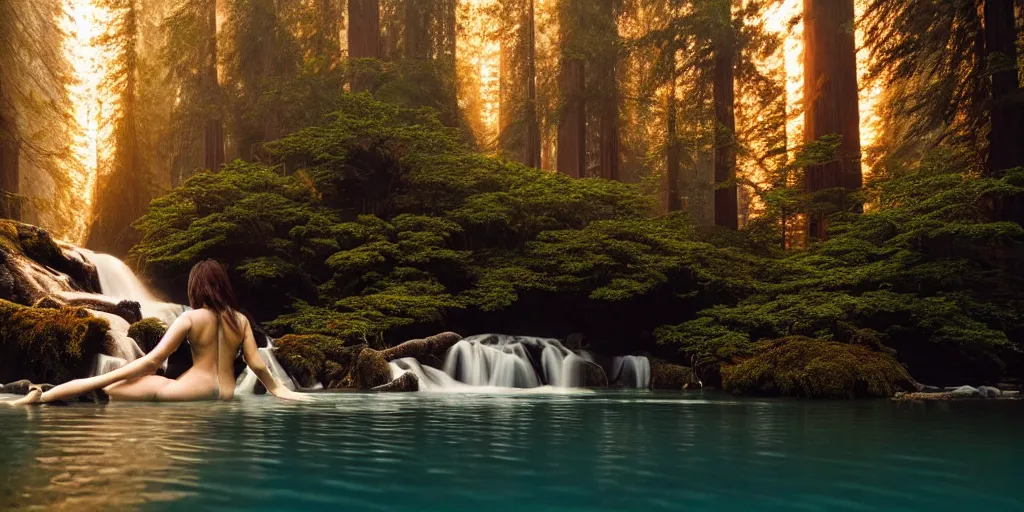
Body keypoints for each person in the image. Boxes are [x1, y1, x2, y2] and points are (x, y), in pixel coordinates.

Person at [9, 260, 309, 405]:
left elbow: (153, 361)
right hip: (227, 394)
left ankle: (41, 398)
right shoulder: (241, 320)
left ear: (195, 288)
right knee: (148, 381)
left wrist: (106, 377)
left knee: (113, 389)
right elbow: (257, 364)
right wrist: (281, 390)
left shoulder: (190, 319)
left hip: (190, 391)